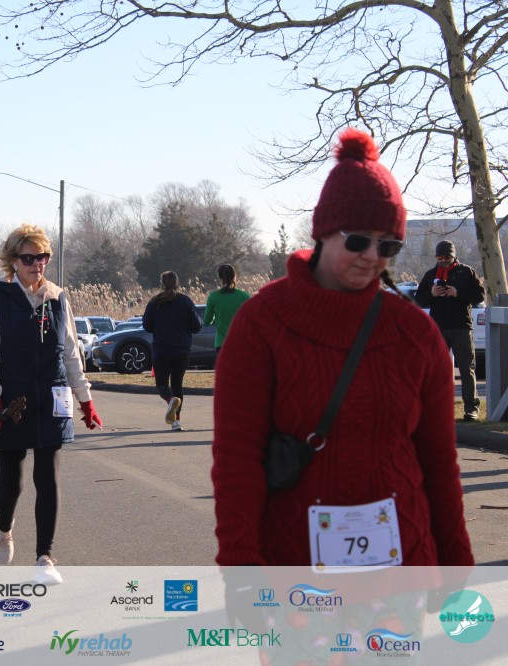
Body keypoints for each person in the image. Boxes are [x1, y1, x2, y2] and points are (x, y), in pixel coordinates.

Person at [212, 128, 474, 569]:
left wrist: (456, 565)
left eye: (387, 244)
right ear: (324, 231)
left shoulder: (416, 334)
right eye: (358, 239)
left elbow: (439, 465)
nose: (372, 255)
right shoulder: (263, 323)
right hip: (294, 576)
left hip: (405, 572)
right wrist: (242, 570)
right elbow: (236, 460)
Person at [0, 224, 103, 585]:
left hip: (53, 399)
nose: (37, 264)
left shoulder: (58, 298)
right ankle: (3, 526)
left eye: (42, 257)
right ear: (13, 261)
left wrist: (85, 398)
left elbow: (71, 352)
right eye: (29, 258)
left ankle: (45, 556)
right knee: (10, 485)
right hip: (9, 402)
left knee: (48, 478)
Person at [415, 240, 485, 421]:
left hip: (462, 327)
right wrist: (432, 294)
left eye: (447, 257)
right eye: (439, 257)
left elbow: (480, 295)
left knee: (466, 369)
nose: (443, 260)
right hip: (438, 328)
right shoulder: (431, 275)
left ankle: (471, 409)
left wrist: (458, 293)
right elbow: (419, 299)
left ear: (454, 256)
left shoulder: (466, 272)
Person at [142, 271, 202, 432]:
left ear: (161, 284)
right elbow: (196, 326)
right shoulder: (185, 301)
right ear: (177, 283)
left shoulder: (154, 302)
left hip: (161, 349)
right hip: (182, 349)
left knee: (162, 384)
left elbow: (147, 326)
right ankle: (176, 422)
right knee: (177, 385)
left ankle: (170, 401)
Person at [203, 264, 250, 361]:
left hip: (221, 344)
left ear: (220, 277)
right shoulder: (244, 296)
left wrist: (218, 317)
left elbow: (207, 321)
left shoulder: (213, 297)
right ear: (234, 276)